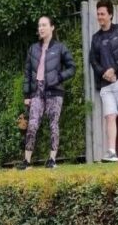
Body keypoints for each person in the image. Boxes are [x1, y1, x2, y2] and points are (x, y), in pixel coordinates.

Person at [20, 16, 76, 170]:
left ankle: (52, 159)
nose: (41, 28)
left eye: (44, 25)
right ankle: (26, 161)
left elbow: (72, 67)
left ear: (52, 27)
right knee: (32, 125)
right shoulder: (32, 49)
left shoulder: (60, 48)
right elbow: (27, 74)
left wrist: (59, 77)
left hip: (54, 91)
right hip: (37, 91)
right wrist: (26, 95)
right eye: (39, 26)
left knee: (53, 124)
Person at [89, 0, 118, 162]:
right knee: (109, 116)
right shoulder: (95, 38)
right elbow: (93, 61)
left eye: (102, 14)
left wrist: (114, 69)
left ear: (110, 15)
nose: (99, 17)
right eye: (98, 14)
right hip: (105, 84)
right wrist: (105, 73)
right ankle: (111, 152)